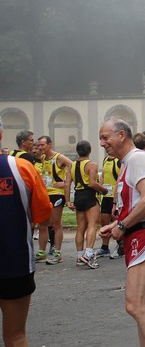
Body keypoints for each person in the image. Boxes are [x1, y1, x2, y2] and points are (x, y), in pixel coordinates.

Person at [98, 118, 145, 347]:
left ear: (121, 135)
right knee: (143, 305)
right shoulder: (130, 161)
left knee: (135, 305)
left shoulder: (137, 159)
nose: (102, 143)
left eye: (105, 137)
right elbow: (139, 202)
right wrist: (118, 223)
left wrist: (121, 225)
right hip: (140, 233)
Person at [0, 120, 52, 347]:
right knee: (15, 336)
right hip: (14, 262)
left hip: (14, 264)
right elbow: (44, 215)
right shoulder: (20, 167)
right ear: (1, 134)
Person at [65, 140, 108, 269]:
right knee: (92, 225)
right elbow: (92, 183)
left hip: (78, 196)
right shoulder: (91, 165)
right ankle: (89, 253)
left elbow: (67, 184)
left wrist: (68, 201)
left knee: (80, 228)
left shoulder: (71, 166)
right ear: (89, 151)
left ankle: (79, 255)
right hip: (89, 196)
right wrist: (103, 190)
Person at [36, 135, 73, 265]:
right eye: (39, 145)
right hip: (45, 194)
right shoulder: (42, 158)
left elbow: (73, 166)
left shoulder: (59, 157)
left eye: (42, 145)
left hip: (57, 194)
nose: (40, 147)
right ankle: (42, 252)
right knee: (42, 224)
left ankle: (57, 253)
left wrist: (65, 183)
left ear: (50, 145)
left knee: (55, 223)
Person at [96, 154, 123, 259]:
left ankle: (121, 245)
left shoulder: (119, 160)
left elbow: (120, 179)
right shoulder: (106, 159)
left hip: (115, 196)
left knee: (116, 220)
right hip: (106, 195)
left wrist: (116, 199)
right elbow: (102, 175)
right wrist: (100, 190)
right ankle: (105, 247)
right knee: (104, 220)